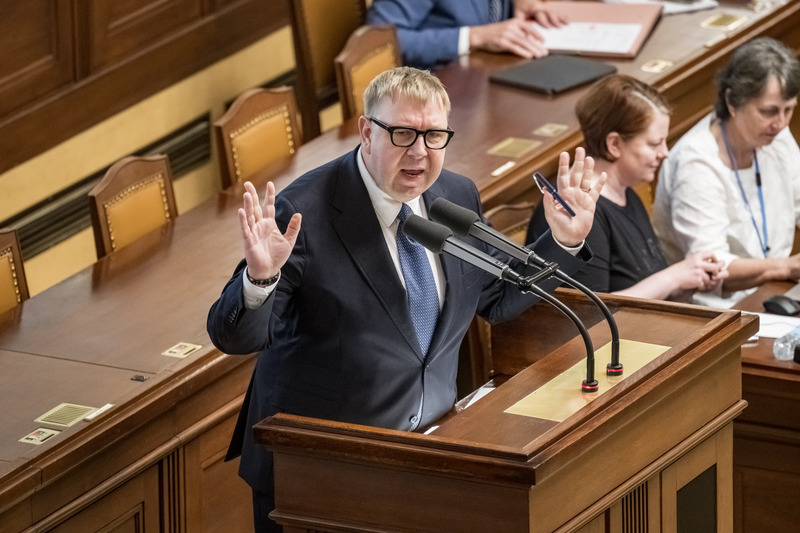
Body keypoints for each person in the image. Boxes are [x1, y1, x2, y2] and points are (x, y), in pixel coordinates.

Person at [207, 66, 605, 531]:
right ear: (366, 132)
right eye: (402, 134)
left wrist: (562, 242)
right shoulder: (304, 212)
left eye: (434, 135)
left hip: (424, 461)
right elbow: (236, 337)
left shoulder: (455, 196)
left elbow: (497, 298)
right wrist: (260, 278)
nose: (419, 151)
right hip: (319, 476)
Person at [527, 74, 727, 301]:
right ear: (614, 144)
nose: (665, 153)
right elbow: (593, 312)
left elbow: (650, 295)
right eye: (654, 143)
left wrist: (689, 282)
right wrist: (673, 277)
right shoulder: (576, 211)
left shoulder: (628, 195)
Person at [653, 37, 800, 308]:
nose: (780, 123)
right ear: (733, 102)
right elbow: (711, 266)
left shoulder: (776, 136)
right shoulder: (695, 163)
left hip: (773, 291)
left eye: (788, 110)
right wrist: (786, 267)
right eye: (768, 111)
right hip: (716, 311)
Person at [367, 0, 567, 68]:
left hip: (492, 77)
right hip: (434, 96)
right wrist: (472, 37)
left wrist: (522, 3)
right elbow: (378, 43)